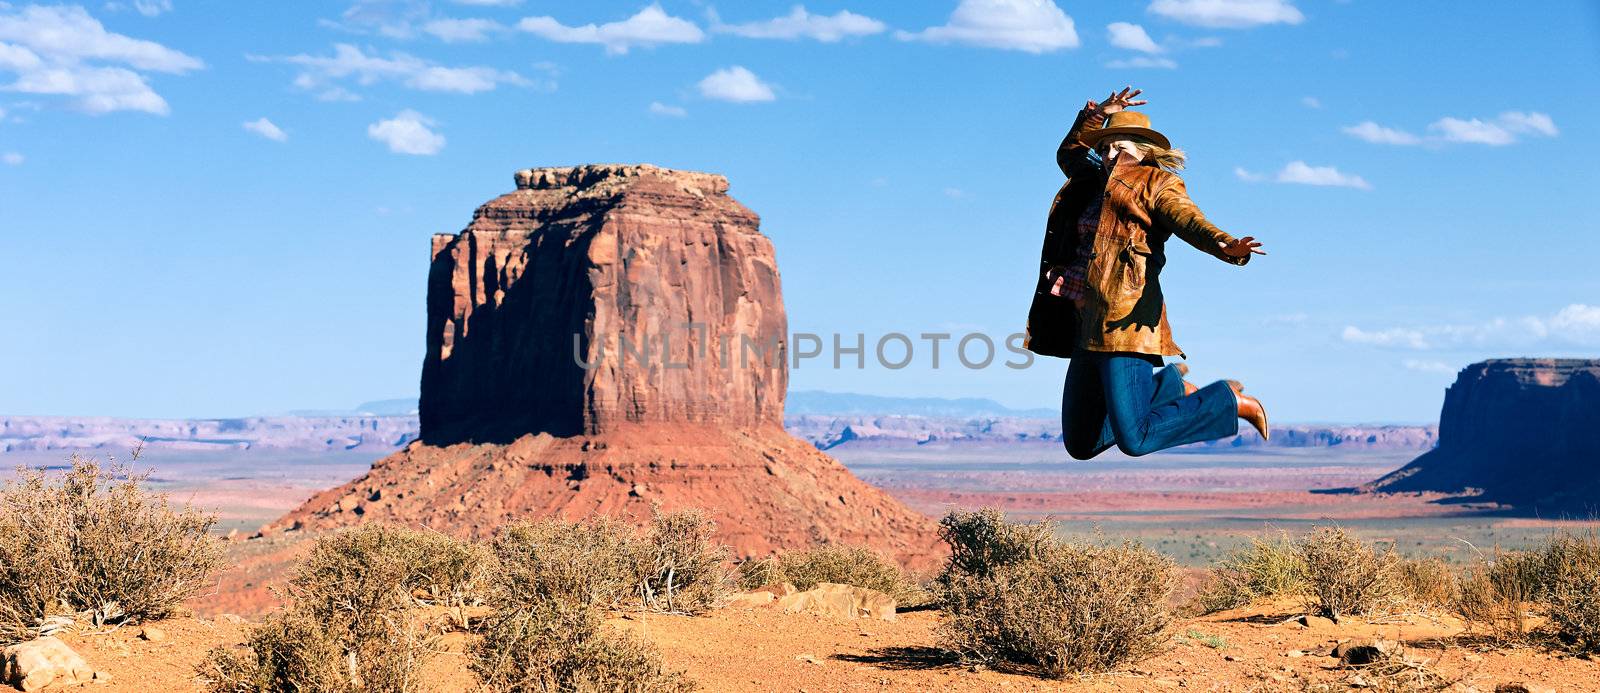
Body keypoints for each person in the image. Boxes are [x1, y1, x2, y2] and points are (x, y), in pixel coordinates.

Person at [1024, 87, 1270, 459]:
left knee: (1136, 440)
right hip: (1083, 323)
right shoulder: (1091, 179)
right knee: (1081, 442)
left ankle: (1227, 401)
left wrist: (1224, 244)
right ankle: (1170, 387)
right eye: (1104, 146)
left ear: (1142, 150)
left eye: (1117, 147)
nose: (1108, 154)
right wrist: (1096, 113)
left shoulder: (1156, 184)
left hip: (1124, 321)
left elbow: (1189, 220)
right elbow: (1069, 152)